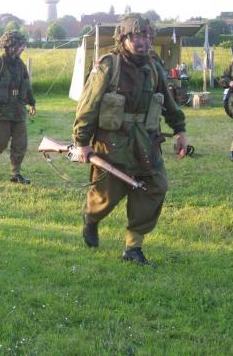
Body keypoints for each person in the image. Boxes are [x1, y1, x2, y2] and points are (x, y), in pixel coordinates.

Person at [72, 14, 188, 265]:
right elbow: (88, 106)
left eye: (146, 36)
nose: (142, 41)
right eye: (136, 36)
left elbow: (168, 102)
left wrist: (180, 131)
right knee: (107, 195)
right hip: (114, 143)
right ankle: (91, 218)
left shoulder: (154, 66)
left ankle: (133, 248)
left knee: (154, 187)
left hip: (147, 142)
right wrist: (82, 142)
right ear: (123, 38)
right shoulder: (109, 65)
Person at [0, 31, 36, 183]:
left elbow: (26, 85)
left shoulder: (20, 65)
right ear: (10, 46)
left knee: (20, 144)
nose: (23, 48)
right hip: (1, 110)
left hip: (18, 110)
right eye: (20, 45)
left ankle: (15, 173)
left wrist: (32, 103)